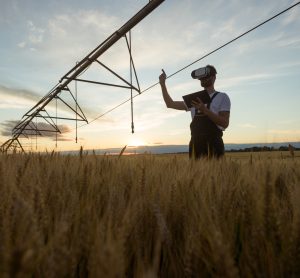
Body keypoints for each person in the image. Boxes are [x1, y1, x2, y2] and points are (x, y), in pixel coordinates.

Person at [159, 65, 231, 159]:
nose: (202, 80)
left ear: (213, 77)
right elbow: (170, 104)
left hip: (214, 144)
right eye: (201, 78)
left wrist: (205, 110)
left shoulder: (222, 97)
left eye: (205, 77)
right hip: (195, 144)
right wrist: (162, 84)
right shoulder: (194, 99)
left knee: (214, 173)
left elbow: (225, 123)